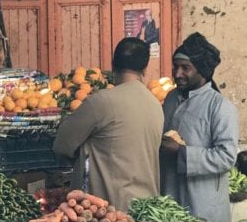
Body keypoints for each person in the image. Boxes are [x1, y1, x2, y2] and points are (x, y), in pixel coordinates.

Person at [53, 37, 164, 212]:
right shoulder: (155, 105)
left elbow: (62, 145)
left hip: (107, 212)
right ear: (144, 68)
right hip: (146, 209)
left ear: (113, 65)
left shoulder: (102, 102)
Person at [160, 32, 240, 222]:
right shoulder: (170, 99)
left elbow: (226, 157)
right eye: (175, 66)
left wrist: (181, 152)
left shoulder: (220, 108)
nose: (177, 73)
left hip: (202, 204)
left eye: (185, 68)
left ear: (202, 71)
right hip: (170, 196)